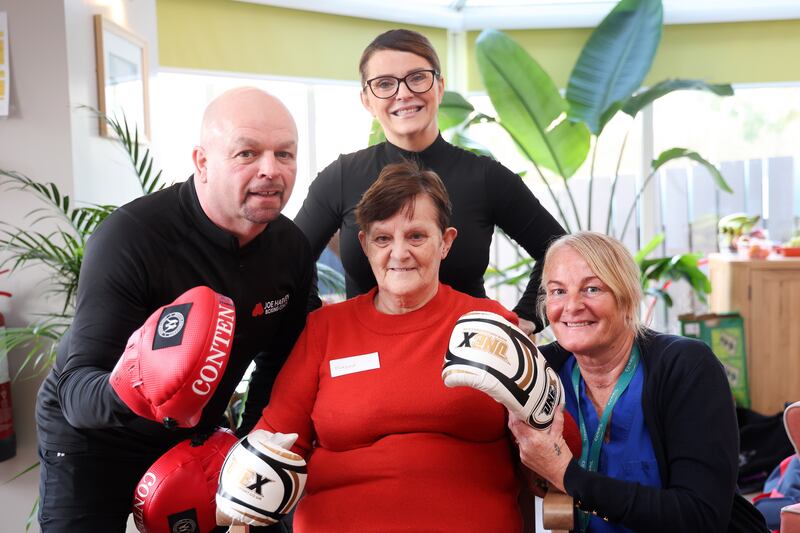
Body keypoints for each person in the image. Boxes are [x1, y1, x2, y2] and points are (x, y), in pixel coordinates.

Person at [35, 87, 314, 532]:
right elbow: (74, 390)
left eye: (285, 154)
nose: (271, 170)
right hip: (92, 440)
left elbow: (283, 360)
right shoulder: (133, 238)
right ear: (202, 162)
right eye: (247, 152)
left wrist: (247, 445)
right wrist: (142, 387)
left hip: (196, 436)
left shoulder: (290, 249)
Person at [255, 160, 528, 531]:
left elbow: (557, 448)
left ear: (445, 242)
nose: (399, 253)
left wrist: (537, 404)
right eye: (383, 238)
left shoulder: (490, 324)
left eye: (416, 236)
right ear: (365, 245)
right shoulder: (326, 329)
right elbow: (274, 443)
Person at [294, 28, 565, 335]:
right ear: (366, 100)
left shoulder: (486, 177)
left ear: (440, 86)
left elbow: (562, 251)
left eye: (417, 77)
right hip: (366, 357)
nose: (403, 93)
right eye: (384, 84)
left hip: (465, 357)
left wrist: (526, 317)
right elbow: (290, 261)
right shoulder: (341, 177)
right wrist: (313, 325)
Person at [508, 231, 768, 532]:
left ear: (627, 298)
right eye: (557, 291)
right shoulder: (540, 370)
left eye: (592, 289)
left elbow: (699, 517)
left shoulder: (687, 367)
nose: (572, 306)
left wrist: (566, 474)